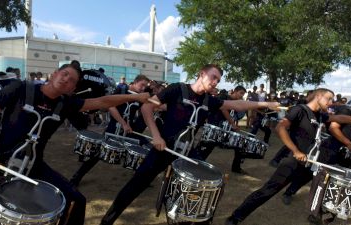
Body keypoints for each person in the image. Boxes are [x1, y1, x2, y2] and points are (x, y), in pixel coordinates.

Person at [0, 63, 151, 225]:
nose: (67, 79)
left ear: (73, 88)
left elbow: (102, 101)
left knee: (77, 200)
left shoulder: (66, 103)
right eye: (65, 74)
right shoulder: (20, 88)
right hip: (0, 159)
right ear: (55, 74)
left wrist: (134, 97)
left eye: (72, 80)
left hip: (34, 164)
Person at [100, 64, 280, 225]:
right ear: (202, 74)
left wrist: (265, 103)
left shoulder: (210, 100)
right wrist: (156, 136)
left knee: (206, 187)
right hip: (163, 147)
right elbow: (147, 107)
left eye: (218, 80)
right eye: (213, 77)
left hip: (187, 152)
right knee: (133, 187)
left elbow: (238, 104)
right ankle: (107, 221)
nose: (215, 82)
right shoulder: (176, 89)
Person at [225, 88, 351, 225]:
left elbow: (338, 118)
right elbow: (280, 128)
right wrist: (295, 151)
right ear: (318, 96)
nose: (331, 102)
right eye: (329, 99)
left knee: (323, 187)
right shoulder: (300, 110)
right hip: (293, 162)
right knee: (268, 191)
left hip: (309, 163)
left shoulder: (319, 115)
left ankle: (319, 217)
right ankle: (236, 217)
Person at [69, 74, 150, 187]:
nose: (143, 88)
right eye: (142, 85)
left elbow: (145, 110)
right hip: (114, 129)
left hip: (129, 131)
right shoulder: (121, 90)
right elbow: (111, 106)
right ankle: (76, 177)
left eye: (145, 87)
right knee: (96, 154)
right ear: (135, 82)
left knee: (144, 149)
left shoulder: (138, 97)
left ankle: (142, 178)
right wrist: (123, 123)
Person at [280, 96, 351, 207]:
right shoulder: (347, 110)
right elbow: (333, 128)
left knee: (336, 180)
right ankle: (289, 192)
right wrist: (348, 144)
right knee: (309, 173)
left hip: (346, 154)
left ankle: (323, 205)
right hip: (330, 149)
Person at [188, 85, 248, 174]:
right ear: (235, 91)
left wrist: (234, 126)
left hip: (225, 128)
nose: (241, 96)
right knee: (207, 147)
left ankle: (236, 167)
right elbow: (223, 109)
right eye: (241, 93)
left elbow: (234, 116)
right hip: (215, 126)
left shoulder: (236, 102)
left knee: (240, 144)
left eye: (243, 94)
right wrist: (232, 124)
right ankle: (194, 165)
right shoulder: (223, 97)